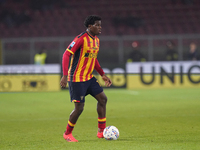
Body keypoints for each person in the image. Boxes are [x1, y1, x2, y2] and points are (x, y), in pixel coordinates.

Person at [60, 15, 112, 142]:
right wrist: (65, 76)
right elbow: (66, 54)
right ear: (90, 26)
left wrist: (102, 74)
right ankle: (67, 134)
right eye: (97, 25)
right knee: (79, 108)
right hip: (77, 79)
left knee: (103, 99)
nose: (100, 27)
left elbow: (93, 60)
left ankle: (101, 131)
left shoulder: (96, 40)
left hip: (88, 78)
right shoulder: (81, 38)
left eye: (101, 25)